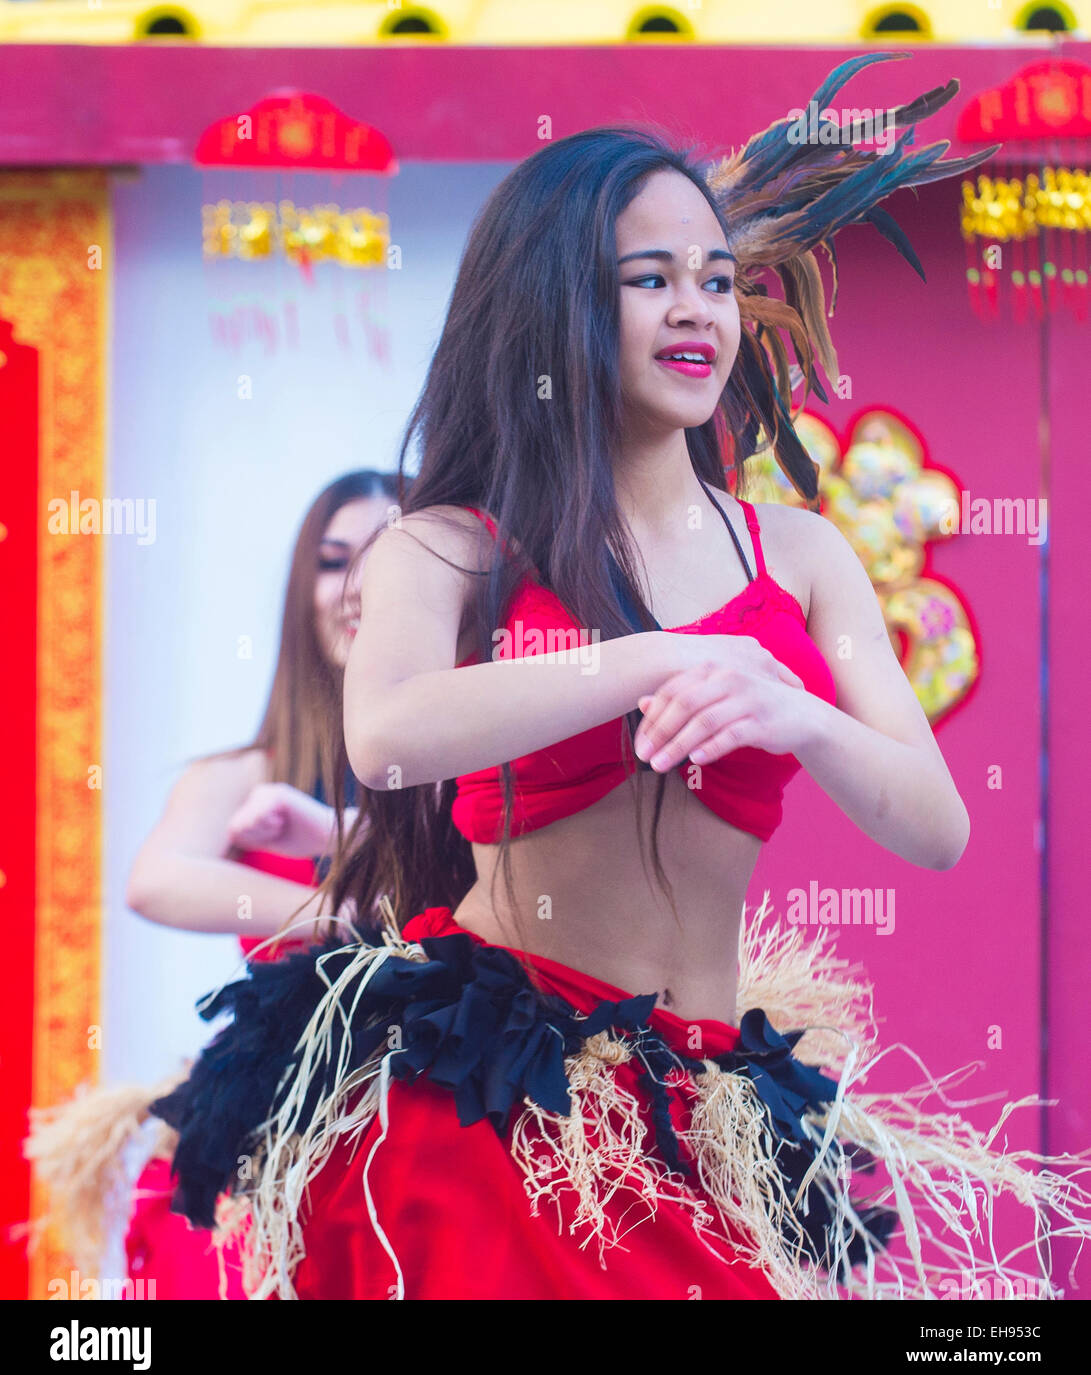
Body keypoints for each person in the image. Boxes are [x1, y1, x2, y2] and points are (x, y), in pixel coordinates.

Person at [152, 55, 1091, 1301]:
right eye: (648, 280)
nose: (695, 309)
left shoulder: (799, 555)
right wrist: (653, 656)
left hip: (707, 1113)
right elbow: (385, 737)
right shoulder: (447, 547)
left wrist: (794, 706)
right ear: (555, 309)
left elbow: (936, 825)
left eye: (713, 280)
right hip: (497, 1098)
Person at [26, 470, 397, 1299]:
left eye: (385, 560)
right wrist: (335, 915)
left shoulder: (462, 778)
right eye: (335, 562)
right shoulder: (239, 775)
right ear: (303, 588)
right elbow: (154, 881)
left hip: (416, 1116)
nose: (357, 589)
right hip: (277, 1118)